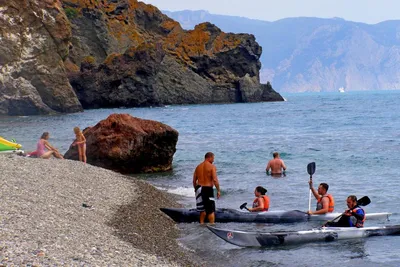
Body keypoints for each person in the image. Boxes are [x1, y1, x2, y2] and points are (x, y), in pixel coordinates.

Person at [193, 152, 221, 224]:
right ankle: (212, 225)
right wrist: (218, 190)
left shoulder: (198, 167)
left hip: (199, 188)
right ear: (209, 157)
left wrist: (195, 189)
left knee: (202, 210)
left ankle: (201, 224)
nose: (213, 160)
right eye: (213, 158)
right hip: (207, 189)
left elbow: (194, 180)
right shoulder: (212, 167)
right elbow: (215, 180)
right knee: (210, 210)